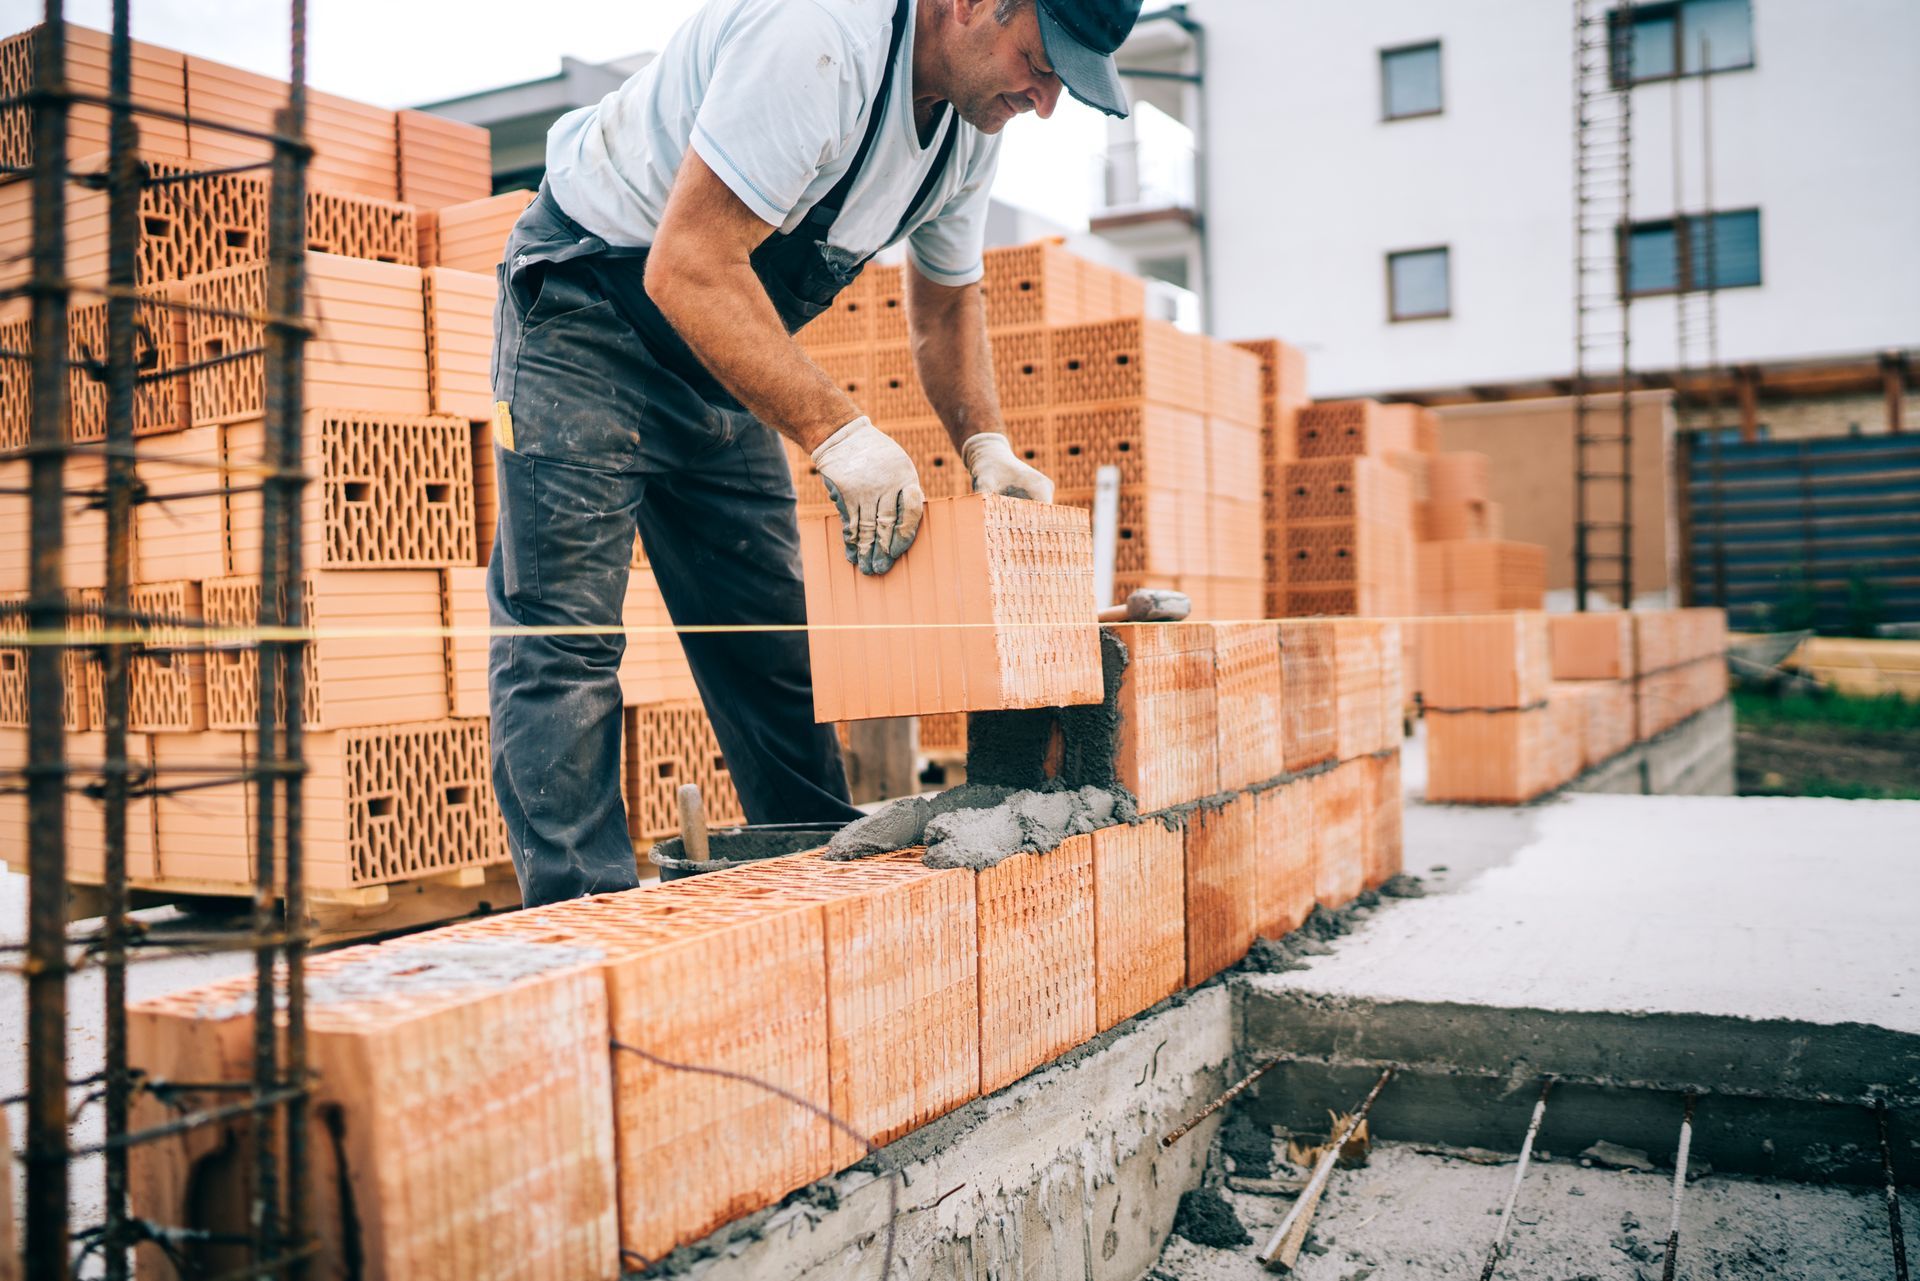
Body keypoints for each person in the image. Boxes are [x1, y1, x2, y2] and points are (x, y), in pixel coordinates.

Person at [487, 0, 1145, 906]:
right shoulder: (818, 38)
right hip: (589, 308)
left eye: (1063, 85)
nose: (1042, 102)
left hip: (712, 341)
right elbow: (686, 264)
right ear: (971, 6)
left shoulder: (967, 125)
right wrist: (837, 430)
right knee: (565, 639)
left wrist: (984, 442)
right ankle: (580, 930)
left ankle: (811, 905)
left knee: (772, 649)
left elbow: (947, 304)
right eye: (1040, 62)